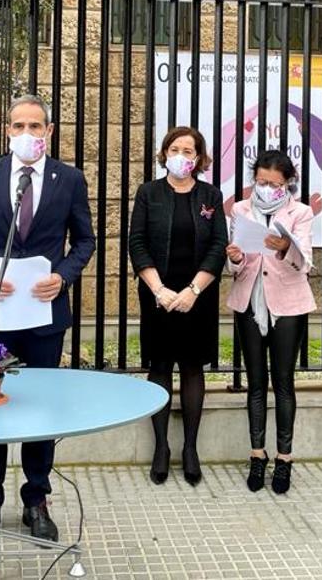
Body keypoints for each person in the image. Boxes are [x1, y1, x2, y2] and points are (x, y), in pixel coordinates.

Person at [0, 94, 96, 543]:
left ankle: (36, 498)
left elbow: (86, 241)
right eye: (19, 126)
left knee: (40, 408)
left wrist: (63, 277)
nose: (27, 134)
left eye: (36, 126)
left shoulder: (68, 179)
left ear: (49, 132)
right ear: (8, 131)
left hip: (45, 315)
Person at [128, 126, 228, 487]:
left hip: (197, 296)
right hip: (159, 295)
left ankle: (189, 448)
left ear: (199, 158)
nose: (182, 156)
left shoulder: (211, 195)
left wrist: (192, 290)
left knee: (191, 368)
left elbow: (218, 246)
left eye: (190, 151)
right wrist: (159, 289)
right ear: (164, 153)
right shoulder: (149, 193)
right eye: (176, 149)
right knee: (160, 366)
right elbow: (137, 242)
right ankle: (160, 448)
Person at [224, 150, 315, 495]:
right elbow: (239, 266)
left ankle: (285, 458)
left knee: (284, 381)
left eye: (274, 184)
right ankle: (257, 453)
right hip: (249, 300)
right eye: (261, 182)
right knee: (256, 381)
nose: (266, 189)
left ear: (288, 183)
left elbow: (303, 263)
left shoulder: (301, 212)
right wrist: (234, 258)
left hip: (288, 304)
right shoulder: (241, 209)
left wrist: (283, 248)